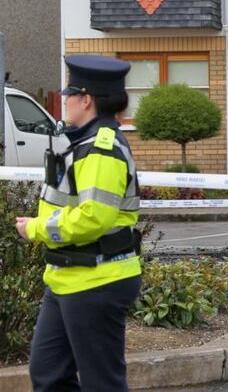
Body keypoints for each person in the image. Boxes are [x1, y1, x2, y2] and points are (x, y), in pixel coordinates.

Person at [15, 54, 142, 392]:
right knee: (48, 375)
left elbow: (93, 219)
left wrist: (36, 229)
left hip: (97, 280)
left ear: (86, 100)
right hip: (67, 278)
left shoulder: (102, 149)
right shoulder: (83, 143)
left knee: (103, 384)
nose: (63, 100)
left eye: (68, 93)